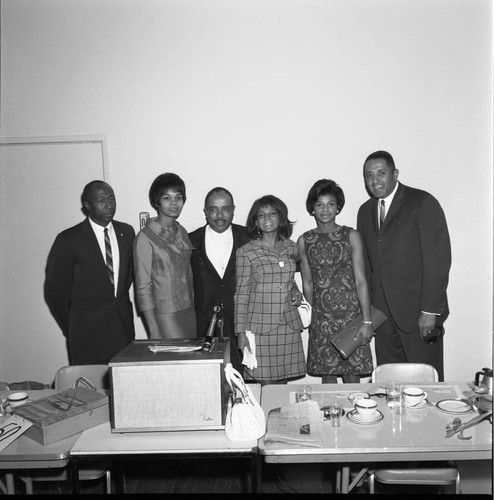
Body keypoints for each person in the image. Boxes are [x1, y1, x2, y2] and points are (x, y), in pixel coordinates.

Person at [357, 150, 451, 380]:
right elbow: (369, 266)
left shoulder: (422, 202)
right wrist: (368, 314)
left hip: (418, 316)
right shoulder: (365, 211)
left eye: (381, 173)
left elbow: (438, 260)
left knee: (425, 384)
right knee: (390, 386)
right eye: (369, 175)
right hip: (383, 318)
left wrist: (429, 311)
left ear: (395, 173)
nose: (375, 180)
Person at [44, 180, 135, 364]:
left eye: (111, 198)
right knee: (89, 390)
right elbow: (55, 292)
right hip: (87, 337)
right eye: (101, 200)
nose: (109, 205)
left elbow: (127, 279)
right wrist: (72, 327)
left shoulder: (127, 232)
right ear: (87, 205)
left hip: (123, 334)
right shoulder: (68, 239)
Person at [298, 179, 374, 383]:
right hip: (322, 320)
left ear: (338, 207)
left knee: (352, 378)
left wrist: (367, 322)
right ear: (312, 208)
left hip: (351, 317)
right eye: (319, 204)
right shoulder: (305, 240)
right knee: (327, 379)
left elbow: (360, 280)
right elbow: (307, 284)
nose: (325, 209)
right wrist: (312, 317)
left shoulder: (351, 235)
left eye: (330, 204)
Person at [234, 194, 305, 385]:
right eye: (261, 215)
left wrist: (294, 290)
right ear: (255, 221)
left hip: (288, 324)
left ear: (281, 218)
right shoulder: (246, 252)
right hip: (260, 327)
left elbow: (287, 278)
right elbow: (241, 294)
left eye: (272, 213)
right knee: (265, 385)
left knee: (282, 385)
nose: (267, 218)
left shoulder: (292, 247)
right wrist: (240, 333)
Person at [189, 187, 250, 372]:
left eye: (225, 209)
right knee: (208, 382)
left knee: (243, 381)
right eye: (213, 209)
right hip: (203, 325)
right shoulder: (190, 241)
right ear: (205, 212)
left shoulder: (249, 237)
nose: (220, 215)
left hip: (242, 325)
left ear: (233, 210)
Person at [133, 172, 196, 339]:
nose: (174, 203)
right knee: (176, 363)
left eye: (178, 197)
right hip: (165, 315)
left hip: (189, 311)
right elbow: (143, 287)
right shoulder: (145, 237)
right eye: (167, 198)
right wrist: (153, 329)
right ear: (157, 201)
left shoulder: (181, 231)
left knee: (192, 362)